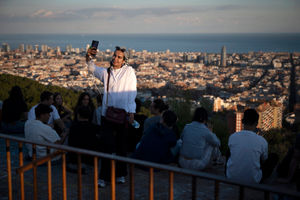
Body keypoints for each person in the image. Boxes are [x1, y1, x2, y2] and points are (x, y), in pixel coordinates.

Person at [86, 46, 137, 187]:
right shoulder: (106, 73)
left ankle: (120, 174)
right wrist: (89, 57)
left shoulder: (129, 72)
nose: (116, 58)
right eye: (115, 55)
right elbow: (91, 68)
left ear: (124, 60)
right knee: (106, 146)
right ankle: (103, 177)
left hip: (122, 114)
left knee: (121, 146)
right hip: (107, 115)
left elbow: (132, 92)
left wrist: (131, 112)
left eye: (119, 57)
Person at [226, 109, 278, 183]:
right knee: (273, 157)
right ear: (256, 123)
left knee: (230, 150)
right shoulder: (262, 141)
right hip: (253, 180)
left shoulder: (233, 137)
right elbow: (264, 159)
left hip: (230, 176)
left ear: (242, 121)